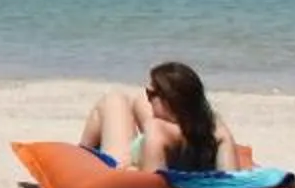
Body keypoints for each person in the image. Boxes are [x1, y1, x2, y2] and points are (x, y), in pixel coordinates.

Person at [79, 60, 234, 174]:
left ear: (170, 101)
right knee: (138, 100)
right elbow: (232, 180)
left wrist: (132, 168)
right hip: (185, 148)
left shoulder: (157, 130)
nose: (148, 98)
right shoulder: (215, 127)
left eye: (151, 93)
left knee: (113, 100)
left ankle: (77, 161)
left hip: (127, 164)